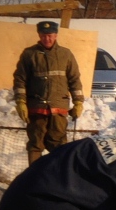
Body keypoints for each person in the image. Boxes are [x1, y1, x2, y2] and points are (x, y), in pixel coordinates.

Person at [13, 21, 84, 166]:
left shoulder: (66, 54)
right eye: (44, 35)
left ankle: (57, 180)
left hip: (58, 110)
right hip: (36, 108)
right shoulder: (29, 54)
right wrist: (20, 102)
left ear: (56, 35)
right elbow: (20, 80)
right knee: (35, 144)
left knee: (59, 145)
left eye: (50, 35)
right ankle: (35, 180)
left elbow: (74, 79)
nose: (47, 39)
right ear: (39, 35)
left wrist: (78, 102)